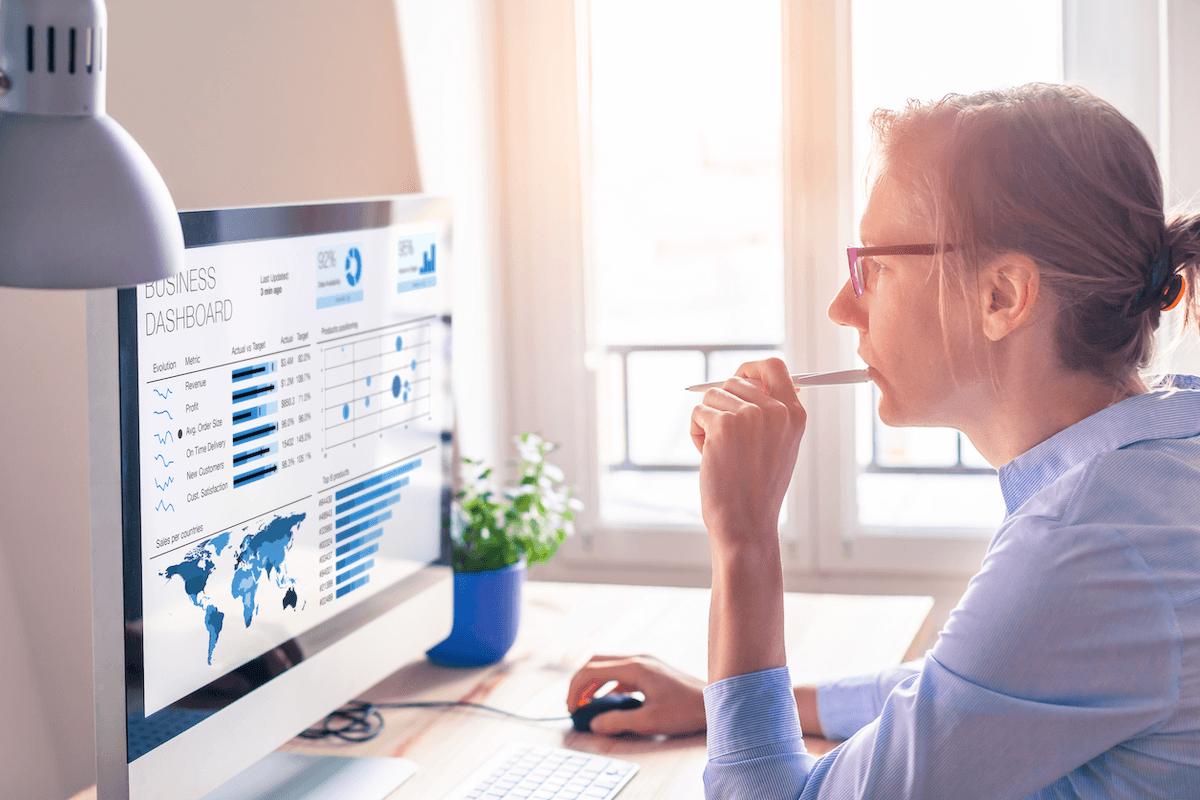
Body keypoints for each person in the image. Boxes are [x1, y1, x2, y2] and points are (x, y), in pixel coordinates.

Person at [566, 83, 1200, 798]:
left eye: (874, 268)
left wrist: (743, 540)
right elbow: (972, 689)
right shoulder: (1163, 459)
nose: (843, 307)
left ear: (1002, 296)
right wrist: (725, 705)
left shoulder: (1085, 546)